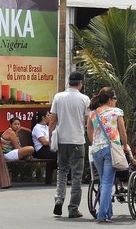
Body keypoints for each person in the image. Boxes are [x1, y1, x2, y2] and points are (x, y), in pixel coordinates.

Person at [49, 71, 90, 219]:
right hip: (78, 141)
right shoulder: (84, 99)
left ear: (69, 82)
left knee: (62, 172)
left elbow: (53, 119)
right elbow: (87, 121)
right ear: (81, 83)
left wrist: (50, 137)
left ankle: (59, 199)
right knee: (77, 176)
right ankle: (73, 209)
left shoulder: (58, 97)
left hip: (62, 141)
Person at [87, 87, 129, 223]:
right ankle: (102, 215)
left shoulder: (93, 114)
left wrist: (95, 143)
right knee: (107, 182)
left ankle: (108, 213)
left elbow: (89, 133)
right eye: (115, 99)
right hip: (110, 149)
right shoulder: (116, 112)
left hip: (96, 150)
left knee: (103, 182)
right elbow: (123, 133)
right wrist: (124, 146)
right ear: (110, 100)